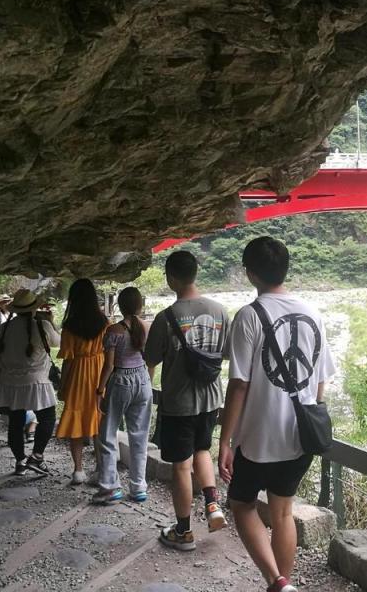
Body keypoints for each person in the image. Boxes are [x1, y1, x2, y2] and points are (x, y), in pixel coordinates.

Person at [219, 237, 336, 592]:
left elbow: (238, 385)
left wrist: (225, 441)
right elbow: (320, 382)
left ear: (250, 273)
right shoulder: (314, 314)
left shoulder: (249, 316)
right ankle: (282, 587)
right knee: (283, 512)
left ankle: (277, 582)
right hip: (299, 437)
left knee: (241, 505)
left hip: (258, 439)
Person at [145, 250, 229, 550]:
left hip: (178, 403)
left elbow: (151, 360)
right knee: (202, 449)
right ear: (197, 273)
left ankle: (183, 532)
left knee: (181, 466)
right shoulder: (220, 311)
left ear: (170, 279)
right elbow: (227, 353)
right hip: (211, 401)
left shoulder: (166, 317)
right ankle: (212, 504)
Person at [92, 287, 153, 505]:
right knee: (139, 436)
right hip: (143, 379)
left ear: (120, 304)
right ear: (140, 305)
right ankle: (138, 487)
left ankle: (110, 487)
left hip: (120, 381)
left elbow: (108, 365)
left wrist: (100, 389)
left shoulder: (114, 331)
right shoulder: (147, 327)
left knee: (108, 435)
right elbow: (151, 357)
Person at [0, 288, 61, 476]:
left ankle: (20, 461)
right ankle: (37, 456)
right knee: (47, 418)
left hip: (11, 382)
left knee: (15, 422)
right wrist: (50, 321)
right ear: (34, 308)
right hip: (37, 381)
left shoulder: (5, 328)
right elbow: (57, 342)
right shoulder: (42, 326)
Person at [55, 278, 109, 484]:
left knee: (76, 419)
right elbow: (110, 352)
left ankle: (78, 470)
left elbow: (68, 360)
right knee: (98, 420)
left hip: (78, 374)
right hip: (99, 372)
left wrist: (63, 385)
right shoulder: (104, 322)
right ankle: (100, 469)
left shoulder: (69, 326)